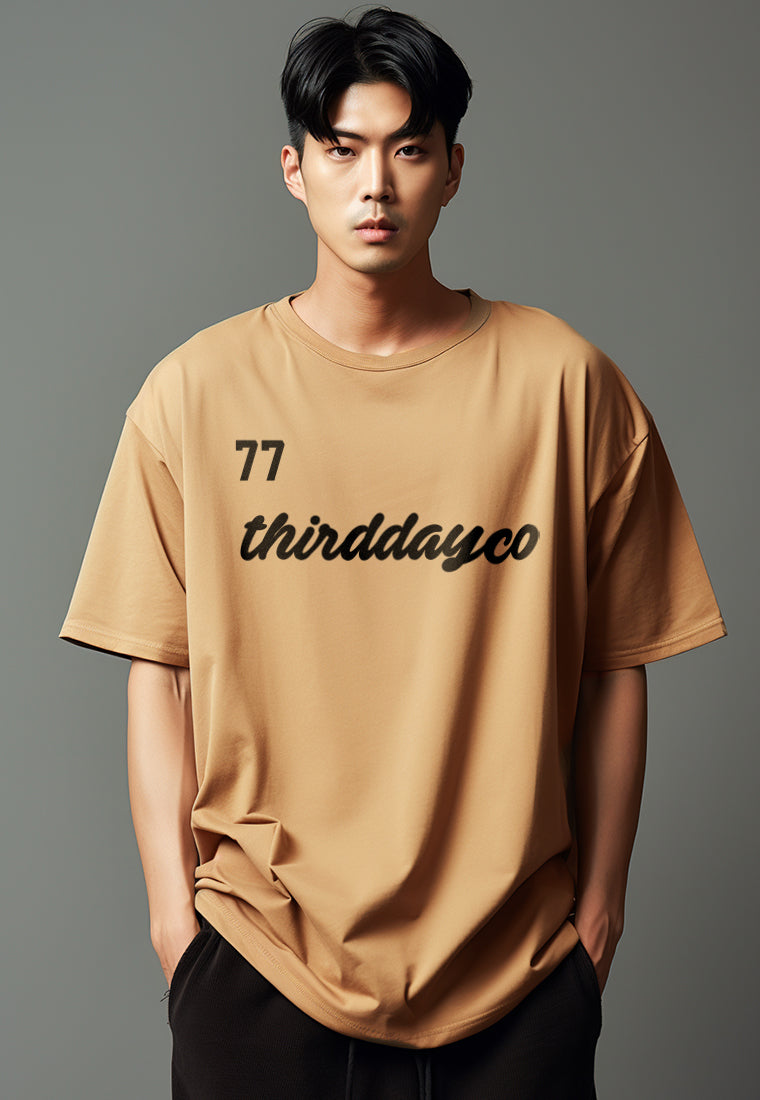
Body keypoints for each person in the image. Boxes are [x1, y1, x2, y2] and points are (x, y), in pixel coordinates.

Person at [58, 7, 727, 1099]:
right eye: (342, 150)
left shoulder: (565, 386)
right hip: (258, 970)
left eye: (409, 150)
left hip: (516, 984)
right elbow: (159, 674)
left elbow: (619, 666)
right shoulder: (194, 396)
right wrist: (178, 930)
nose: (375, 185)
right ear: (294, 170)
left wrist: (599, 919)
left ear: (453, 170)